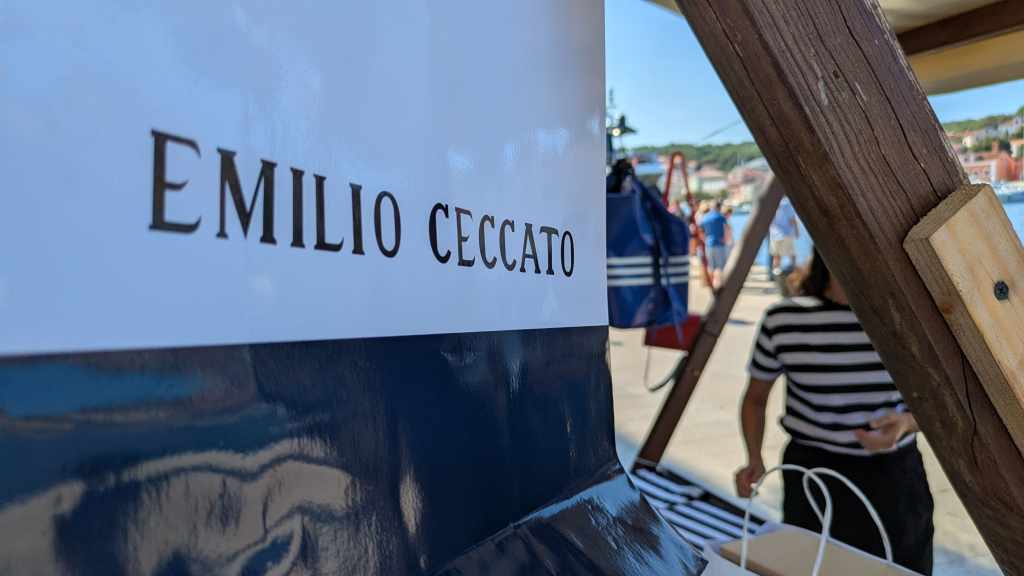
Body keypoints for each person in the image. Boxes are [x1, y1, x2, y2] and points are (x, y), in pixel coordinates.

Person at [735, 250, 934, 574]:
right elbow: (755, 399)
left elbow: (942, 404)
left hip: (894, 478)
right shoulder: (783, 319)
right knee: (809, 568)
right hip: (810, 475)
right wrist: (753, 458)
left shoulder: (907, 320)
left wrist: (906, 424)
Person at [699, 200, 732, 290]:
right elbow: (727, 229)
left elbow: (700, 231)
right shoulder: (721, 217)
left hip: (709, 244)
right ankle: (719, 285)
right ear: (719, 207)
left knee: (711, 266)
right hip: (720, 244)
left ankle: (712, 284)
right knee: (720, 267)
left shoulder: (705, 217)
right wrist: (726, 240)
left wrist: (705, 240)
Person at [769, 196, 799, 277]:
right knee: (791, 253)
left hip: (774, 233)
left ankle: (775, 273)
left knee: (776, 255)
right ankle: (795, 270)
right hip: (786, 233)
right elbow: (792, 219)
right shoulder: (787, 203)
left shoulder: (771, 202)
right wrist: (796, 231)